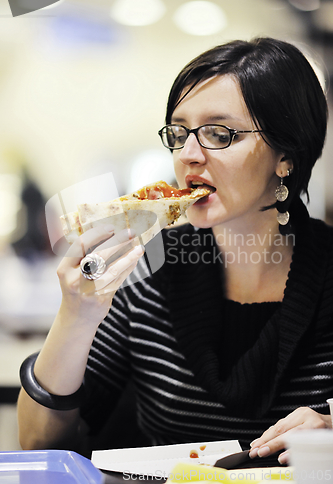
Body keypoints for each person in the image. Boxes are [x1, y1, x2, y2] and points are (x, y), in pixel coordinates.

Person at [18, 37, 333, 465]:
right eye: (179, 133)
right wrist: (76, 314)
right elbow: (39, 445)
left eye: (219, 133)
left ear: (286, 156)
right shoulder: (148, 260)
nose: (187, 155)